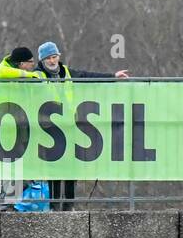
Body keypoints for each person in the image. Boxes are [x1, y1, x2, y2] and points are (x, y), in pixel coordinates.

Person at [34, 41, 131, 211]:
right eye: (48, 58)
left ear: (59, 57)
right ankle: (54, 205)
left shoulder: (67, 72)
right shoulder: (36, 75)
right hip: (49, 128)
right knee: (54, 168)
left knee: (71, 167)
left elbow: (89, 76)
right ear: (42, 60)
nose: (52, 60)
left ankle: (69, 205)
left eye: (54, 56)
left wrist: (112, 77)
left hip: (70, 126)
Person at [0, 47, 46, 211]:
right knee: (9, 166)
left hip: (19, 129)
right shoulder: (1, 70)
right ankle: (7, 204)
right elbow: (2, 73)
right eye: (30, 62)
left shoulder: (20, 74)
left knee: (24, 169)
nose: (33, 65)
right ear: (21, 64)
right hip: (2, 129)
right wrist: (31, 76)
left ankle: (19, 203)